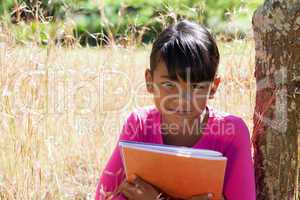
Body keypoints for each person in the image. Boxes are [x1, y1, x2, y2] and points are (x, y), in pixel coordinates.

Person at [95, 20, 256, 200]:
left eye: (196, 87)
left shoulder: (231, 133)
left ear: (213, 87)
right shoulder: (139, 125)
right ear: (149, 81)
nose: (182, 99)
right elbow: (104, 195)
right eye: (169, 84)